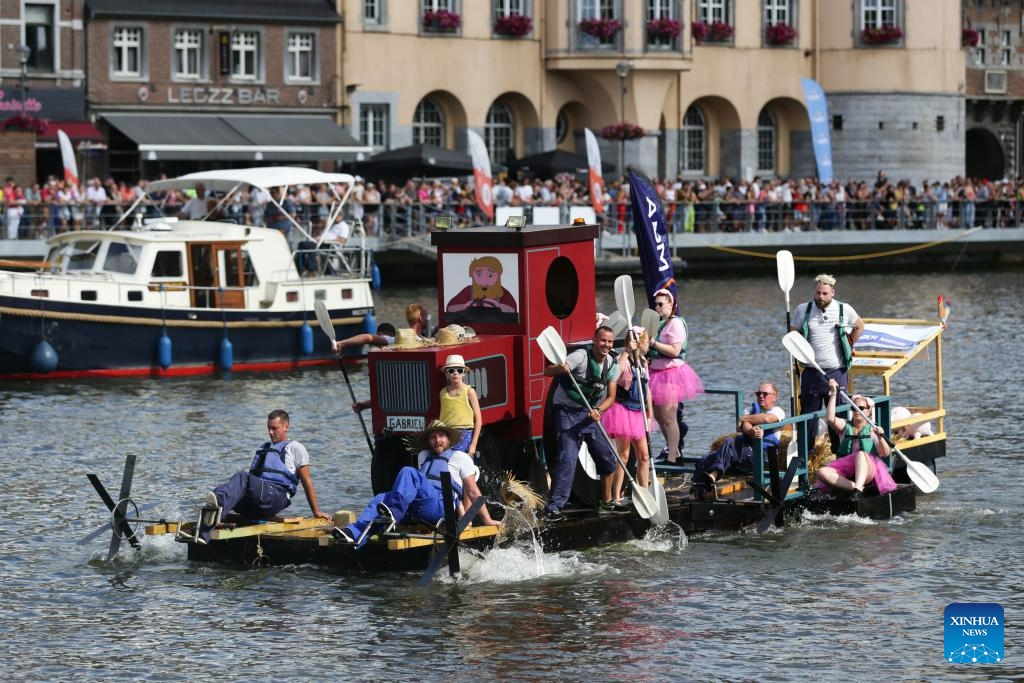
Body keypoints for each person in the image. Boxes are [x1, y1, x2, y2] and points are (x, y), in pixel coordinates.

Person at [332, 420, 498, 545]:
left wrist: (487, 520)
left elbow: (473, 491)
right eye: (433, 437)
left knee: (408, 471)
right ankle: (353, 534)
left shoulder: (460, 457)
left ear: (449, 439)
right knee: (381, 497)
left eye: (441, 436)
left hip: (441, 506)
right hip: (418, 508)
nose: (437, 440)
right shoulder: (423, 456)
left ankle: (393, 515)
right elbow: (414, 487)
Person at [192, 410, 332, 543]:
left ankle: (212, 521)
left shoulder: (295, 448)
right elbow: (251, 483)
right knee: (221, 489)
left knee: (241, 476)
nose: (270, 432)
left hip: (276, 497)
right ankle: (205, 527)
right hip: (258, 501)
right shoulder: (262, 448)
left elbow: (307, 481)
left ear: (286, 426)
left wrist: (316, 511)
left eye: (274, 428)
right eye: (268, 428)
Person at [542, 325, 622, 522]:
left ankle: (606, 501)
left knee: (607, 459)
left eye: (610, 342)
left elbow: (611, 397)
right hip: (566, 412)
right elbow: (547, 371)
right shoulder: (579, 356)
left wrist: (599, 410)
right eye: (603, 340)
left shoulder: (612, 363)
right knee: (567, 458)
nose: (606, 345)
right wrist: (560, 368)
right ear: (594, 340)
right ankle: (554, 507)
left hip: (590, 414)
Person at [790, 273, 864, 449]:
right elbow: (792, 332)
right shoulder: (803, 309)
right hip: (811, 373)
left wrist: (850, 342)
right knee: (809, 418)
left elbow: (859, 325)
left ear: (832, 293)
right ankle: (805, 457)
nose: (820, 297)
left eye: (824, 294)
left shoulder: (844, 309)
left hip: (837, 372)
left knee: (838, 417)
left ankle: (840, 454)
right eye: (817, 293)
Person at [692, 383, 786, 498]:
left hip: (761, 455)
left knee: (730, 442)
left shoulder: (777, 411)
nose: (761, 396)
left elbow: (766, 419)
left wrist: (743, 419)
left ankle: (714, 474)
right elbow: (743, 426)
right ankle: (698, 493)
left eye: (765, 394)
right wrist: (751, 430)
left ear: (775, 397)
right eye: (758, 393)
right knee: (707, 458)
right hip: (743, 454)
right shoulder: (750, 409)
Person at [647, 288, 704, 465]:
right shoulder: (658, 324)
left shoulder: (676, 324)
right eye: (655, 304)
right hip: (655, 373)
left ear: (671, 305)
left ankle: (673, 458)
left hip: (671, 374)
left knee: (669, 417)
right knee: (658, 415)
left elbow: (675, 350)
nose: (657, 307)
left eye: (661, 304)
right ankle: (674, 450)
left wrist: (654, 343)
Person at [815, 379, 895, 502]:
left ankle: (858, 489)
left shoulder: (873, 430)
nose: (857, 410)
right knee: (821, 472)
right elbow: (830, 419)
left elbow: (885, 453)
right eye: (854, 407)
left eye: (861, 408)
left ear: (868, 411)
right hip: (847, 473)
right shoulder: (845, 426)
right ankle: (857, 488)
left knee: (861, 454)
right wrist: (833, 393)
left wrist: (880, 437)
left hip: (868, 471)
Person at [600, 327, 652, 503]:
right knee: (623, 455)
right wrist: (627, 352)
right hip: (623, 411)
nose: (644, 344)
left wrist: (650, 412)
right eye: (642, 341)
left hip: (639, 412)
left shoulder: (643, 362)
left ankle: (644, 493)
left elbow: (647, 389)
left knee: (644, 455)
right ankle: (616, 496)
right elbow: (615, 373)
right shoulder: (622, 359)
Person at [437, 354, 482, 457]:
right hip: (446, 434)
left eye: (459, 370)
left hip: (465, 434)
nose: (455, 373)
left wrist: (473, 444)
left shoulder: (469, 391)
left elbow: (478, 419)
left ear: (464, 374)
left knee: (463, 467)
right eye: (451, 371)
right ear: (446, 375)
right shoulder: (442, 393)